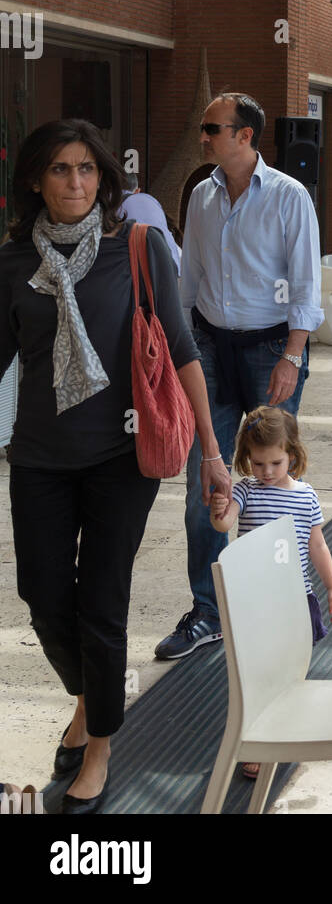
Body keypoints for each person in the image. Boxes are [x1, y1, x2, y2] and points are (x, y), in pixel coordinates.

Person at [0, 120, 224, 814]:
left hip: (121, 457)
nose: (75, 183)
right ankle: (87, 696)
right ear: (36, 179)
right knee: (42, 598)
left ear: (104, 177)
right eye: (61, 170)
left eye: (87, 170)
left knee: (102, 603)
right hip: (37, 453)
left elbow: (183, 347)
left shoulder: (136, 245)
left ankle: (99, 743)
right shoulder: (11, 262)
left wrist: (212, 455)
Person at [156, 92, 323, 662]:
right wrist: (180, 347)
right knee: (206, 477)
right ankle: (208, 610)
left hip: (272, 346)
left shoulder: (288, 196)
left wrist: (292, 354)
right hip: (209, 346)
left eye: (212, 128)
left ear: (246, 136)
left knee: (273, 478)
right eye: (204, 128)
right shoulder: (201, 197)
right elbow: (189, 277)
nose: (203, 137)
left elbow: (305, 281)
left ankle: (278, 597)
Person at [210, 404, 332, 778]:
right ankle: (257, 737)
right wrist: (219, 509)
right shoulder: (245, 492)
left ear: (293, 456)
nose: (266, 472)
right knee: (256, 673)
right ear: (246, 460)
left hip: (294, 599)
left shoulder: (306, 496)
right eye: (258, 464)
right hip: (254, 600)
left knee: (289, 670)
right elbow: (224, 524)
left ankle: (285, 729)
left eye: (275, 463)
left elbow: (317, 544)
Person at [120, 172, 182, 274]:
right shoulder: (151, 201)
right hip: (171, 266)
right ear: (137, 191)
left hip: (140, 274)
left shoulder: (110, 205)